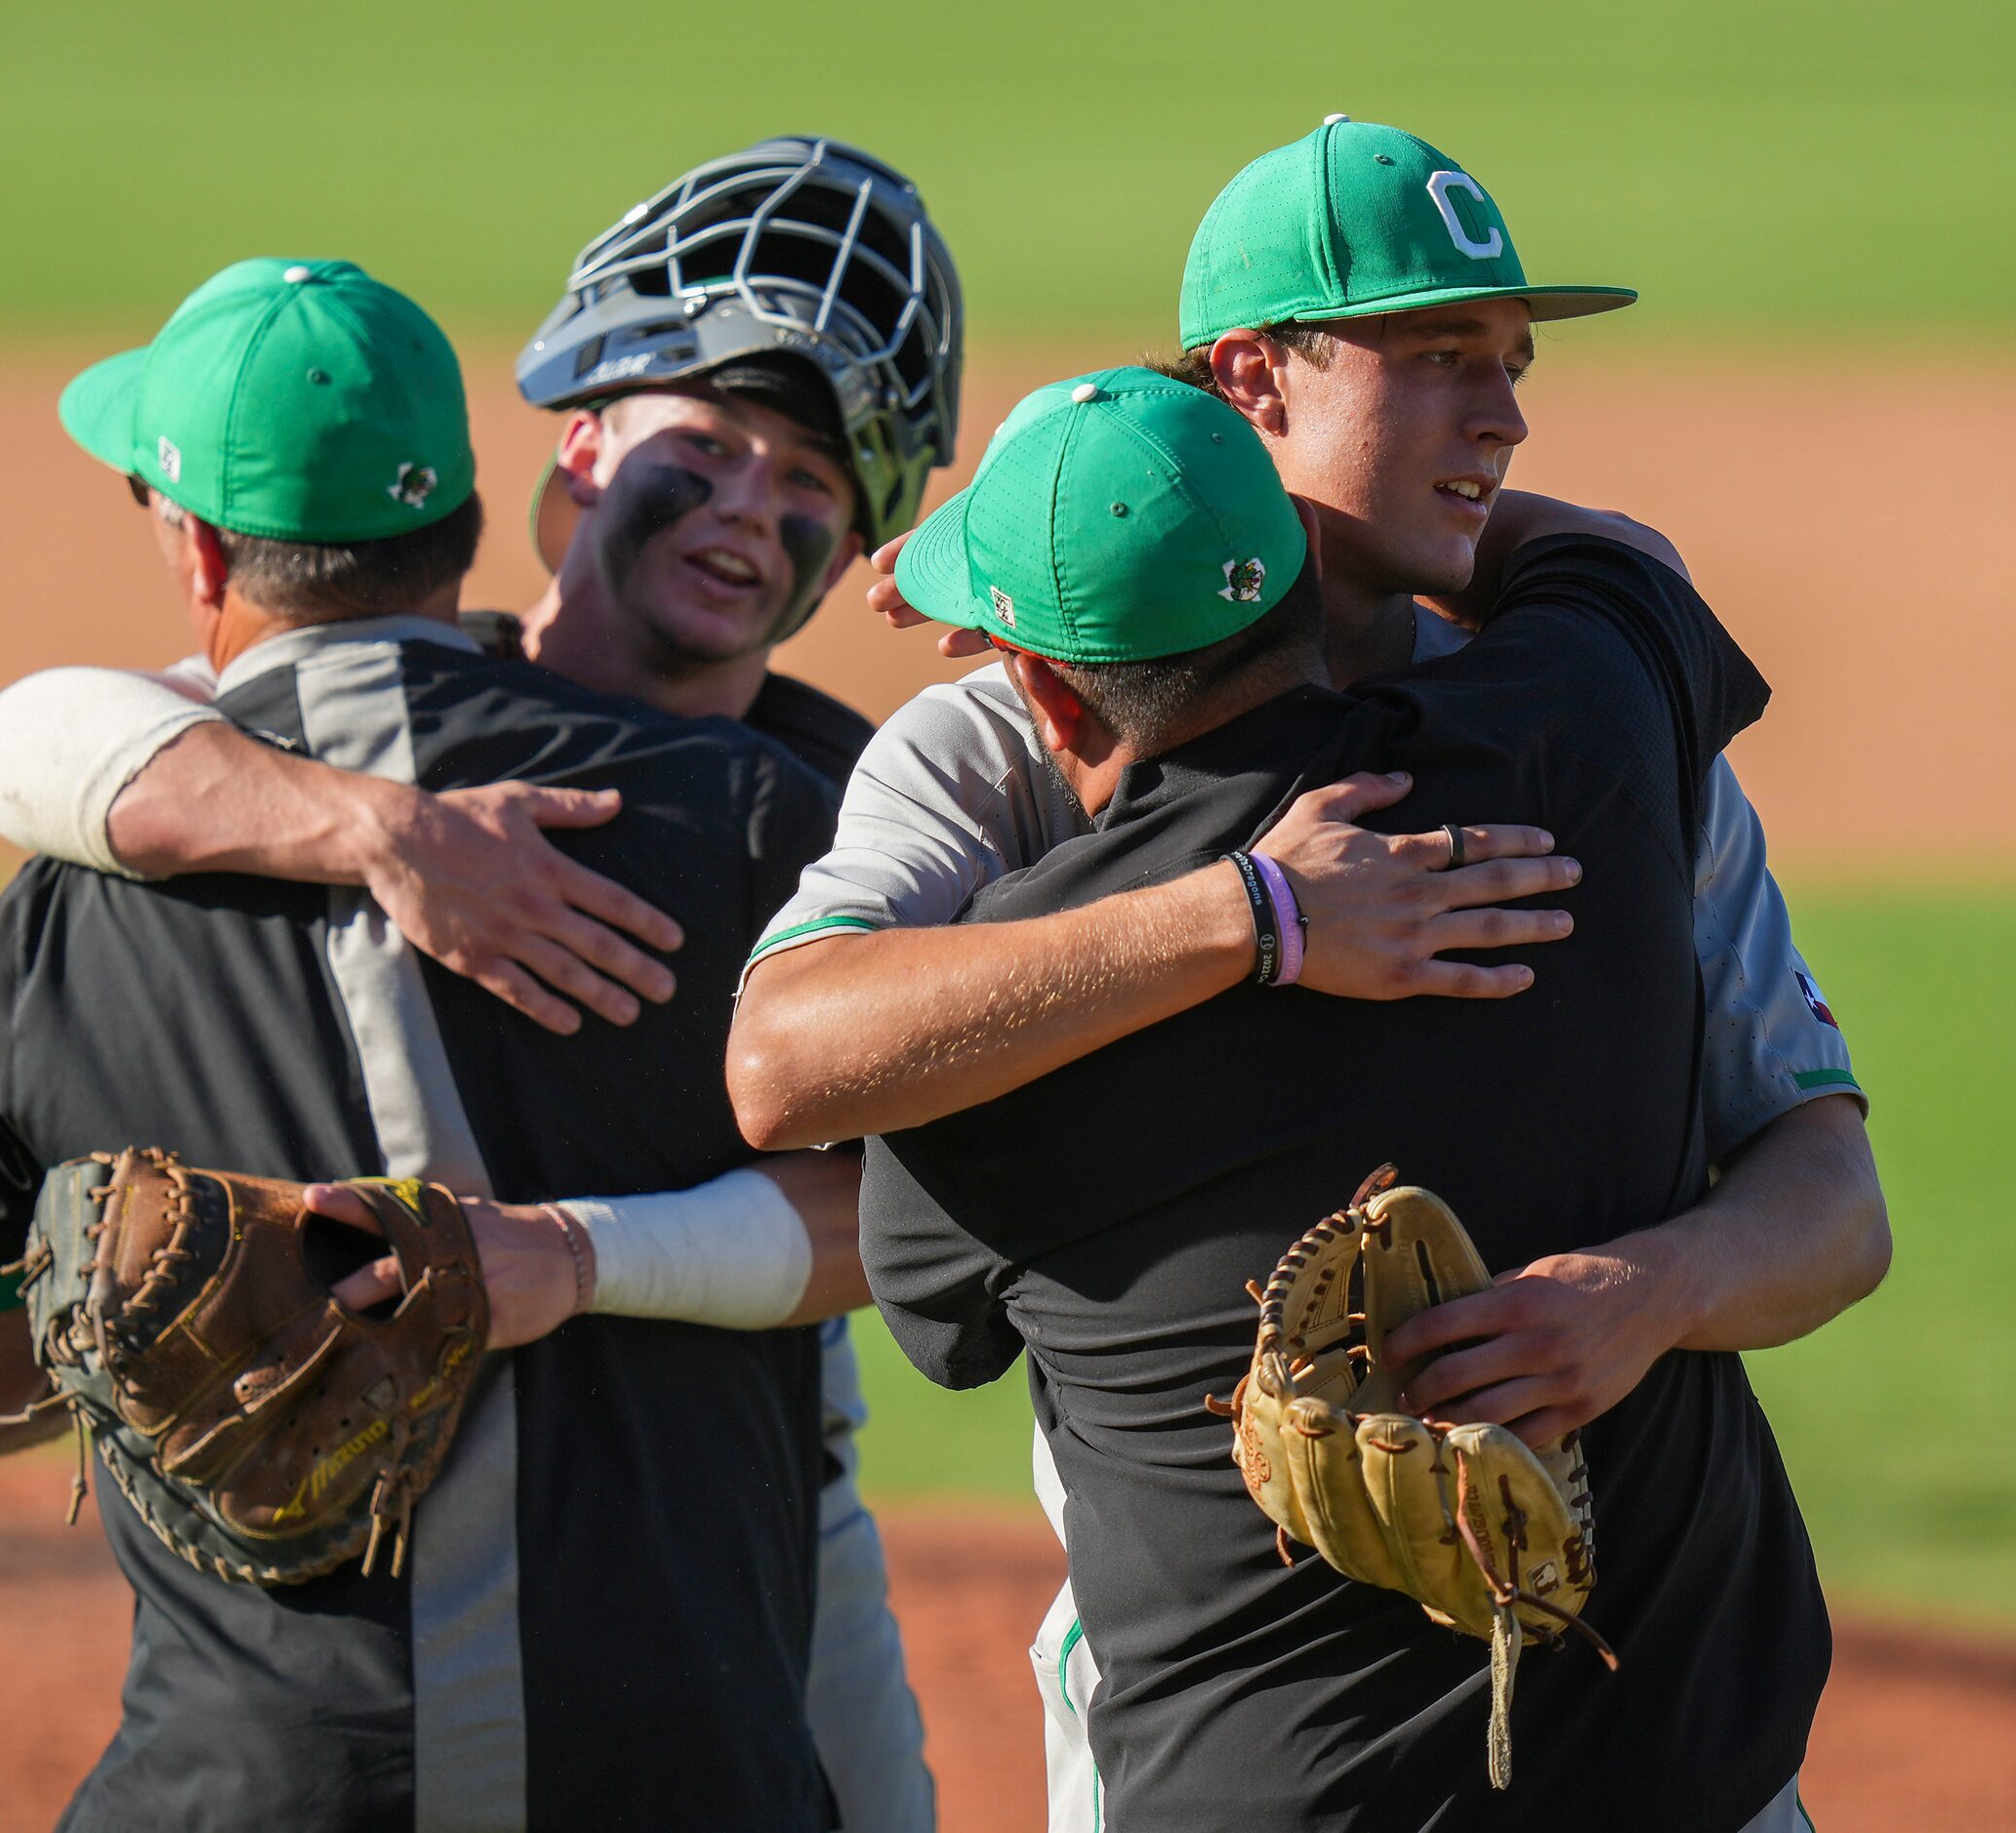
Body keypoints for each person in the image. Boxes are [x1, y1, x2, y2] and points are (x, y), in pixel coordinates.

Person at [720, 120, 1883, 1832]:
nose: (1504, 414)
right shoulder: (990, 750)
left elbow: (1835, 1200)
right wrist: (1253, 913)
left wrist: (1651, 1293)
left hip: (1658, 1735)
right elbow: (782, 1060)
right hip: (1227, 1692)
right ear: (1252, 377)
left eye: (1509, 363)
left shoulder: (1601, 730)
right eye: (1435, 359)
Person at [0, 140, 966, 1830]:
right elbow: (21, 740)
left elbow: (915, 1219)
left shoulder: (830, 810)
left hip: (760, 1468)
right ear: (579, 451)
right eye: (704, 443)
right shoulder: (382, 733)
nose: (748, 504)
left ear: (853, 545)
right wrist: (377, 828)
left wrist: (570, 1257)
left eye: (810, 484)